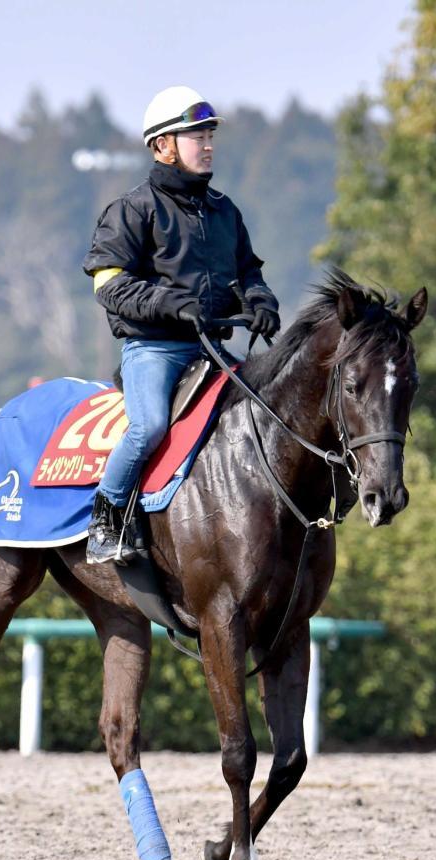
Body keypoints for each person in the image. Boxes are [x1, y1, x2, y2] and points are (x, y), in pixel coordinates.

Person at [83, 85, 280, 564]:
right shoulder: (131, 209)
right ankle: (105, 519)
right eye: (197, 136)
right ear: (163, 146)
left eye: (210, 135)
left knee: (262, 413)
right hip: (153, 350)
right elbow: (108, 285)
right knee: (149, 427)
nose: (208, 144)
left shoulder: (224, 211)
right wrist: (174, 305)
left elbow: (248, 272)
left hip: (208, 350)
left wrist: (260, 300)